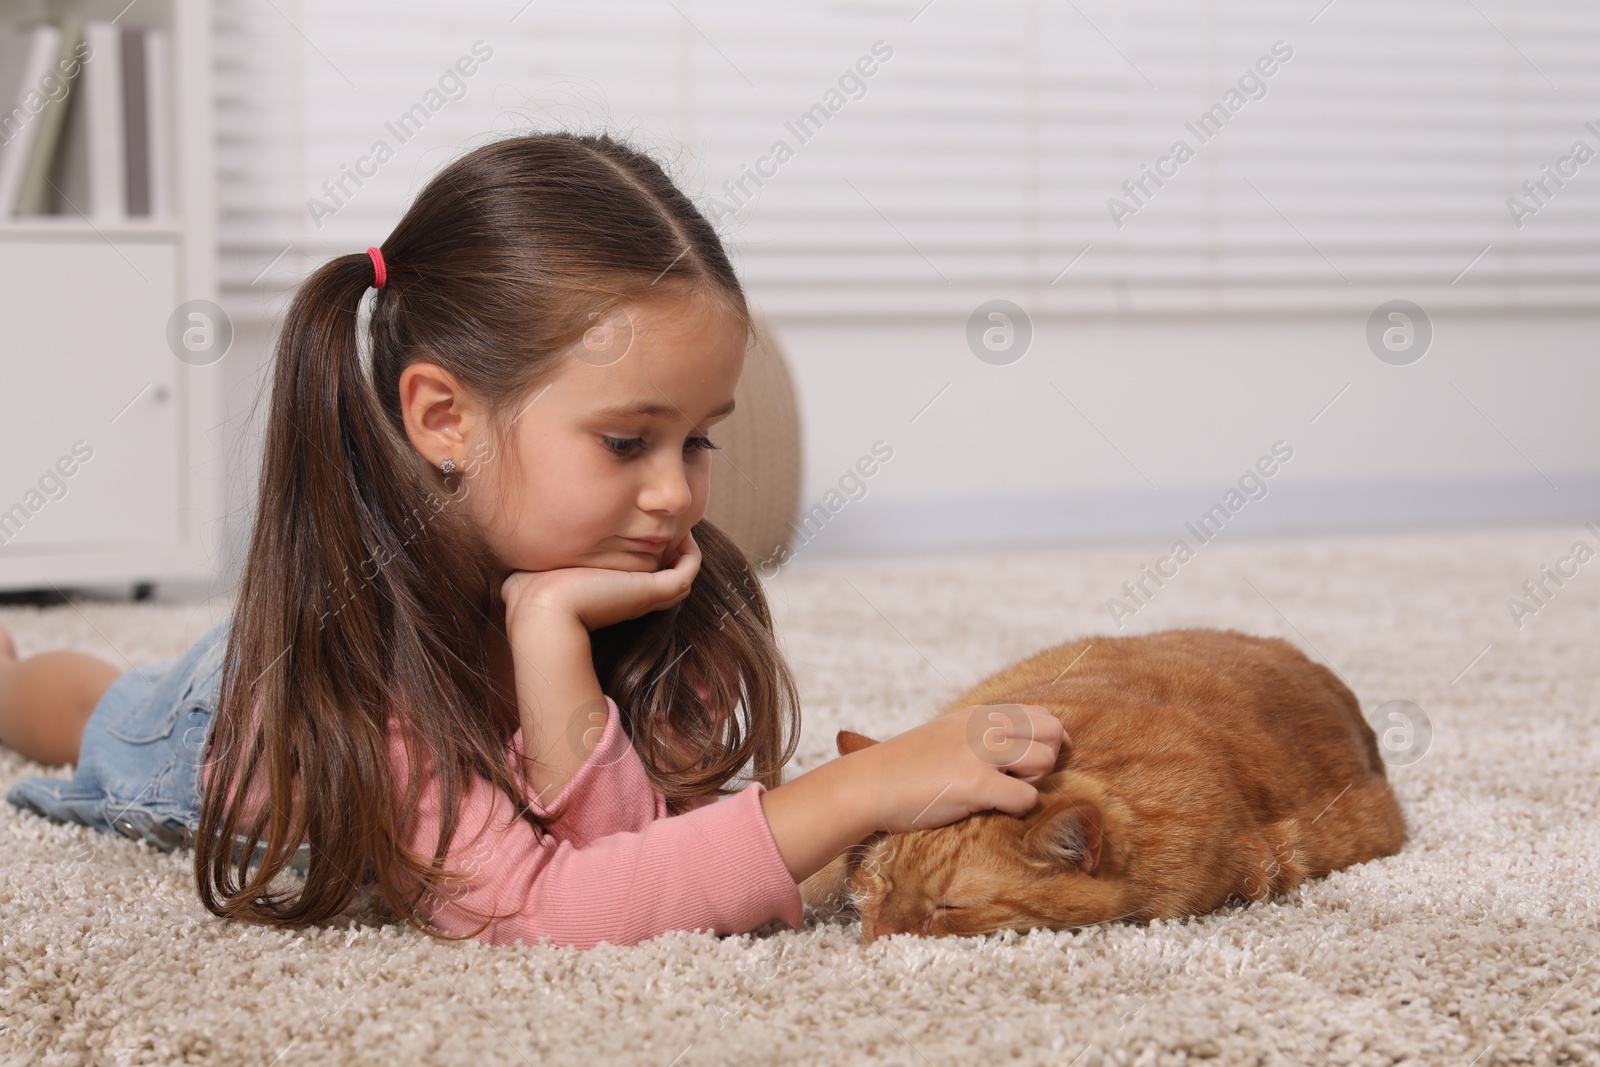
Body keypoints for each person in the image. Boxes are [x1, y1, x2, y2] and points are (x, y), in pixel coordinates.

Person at [0, 130, 1065, 949]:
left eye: (696, 440)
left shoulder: (657, 597)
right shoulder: (376, 675)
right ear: (443, 419)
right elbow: (542, 912)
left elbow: (630, 859)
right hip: (228, 718)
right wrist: (849, 794)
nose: (674, 492)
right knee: (99, 708)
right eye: (624, 439)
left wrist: (548, 629)